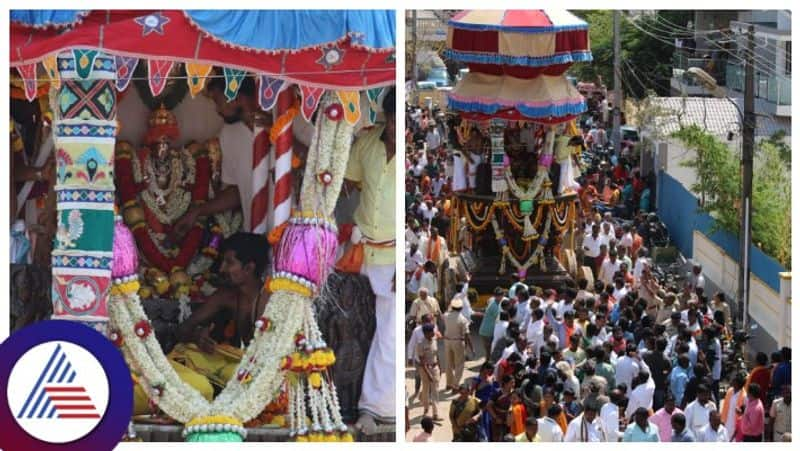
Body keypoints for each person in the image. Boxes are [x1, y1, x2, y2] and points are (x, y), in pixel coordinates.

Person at [133, 233, 270, 415]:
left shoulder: (269, 299)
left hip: (263, 367)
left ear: (249, 268)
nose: (222, 268)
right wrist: (197, 337)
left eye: (229, 263)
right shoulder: (226, 295)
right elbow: (183, 330)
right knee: (187, 351)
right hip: (235, 361)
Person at [345, 88, 397, 431]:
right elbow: (345, 184)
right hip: (359, 249)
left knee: (390, 332)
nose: (395, 128)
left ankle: (376, 406)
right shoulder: (366, 142)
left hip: (394, 257)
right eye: (391, 120)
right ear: (385, 117)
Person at [443, 298, 470, 391]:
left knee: (448, 363)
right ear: (461, 308)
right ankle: (455, 385)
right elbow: (466, 334)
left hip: (447, 341)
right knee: (459, 364)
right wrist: (467, 347)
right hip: (458, 341)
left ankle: (449, 384)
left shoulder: (446, 315)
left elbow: (447, 310)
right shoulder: (463, 319)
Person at [416, 324, 441, 421]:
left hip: (435, 368)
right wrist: (428, 374)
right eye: (431, 332)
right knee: (426, 390)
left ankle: (435, 414)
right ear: (425, 333)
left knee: (435, 390)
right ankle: (426, 408)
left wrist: (440, 366)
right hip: (425, 369)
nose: (433, 333)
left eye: (433, 331)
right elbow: (422, 361)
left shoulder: (434, 339)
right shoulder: (420, 344)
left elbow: (436, 354)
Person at [479, 287, 504, 359]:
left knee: (489, 351)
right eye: (498, 295)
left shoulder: (492, 300)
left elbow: (488, 300)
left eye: (500, 295)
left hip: (485, 331)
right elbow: (500, 319)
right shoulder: (494, 307)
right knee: (490, 351)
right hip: (487, 332)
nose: (499, 297)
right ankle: (488, 367)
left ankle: (488, 365)